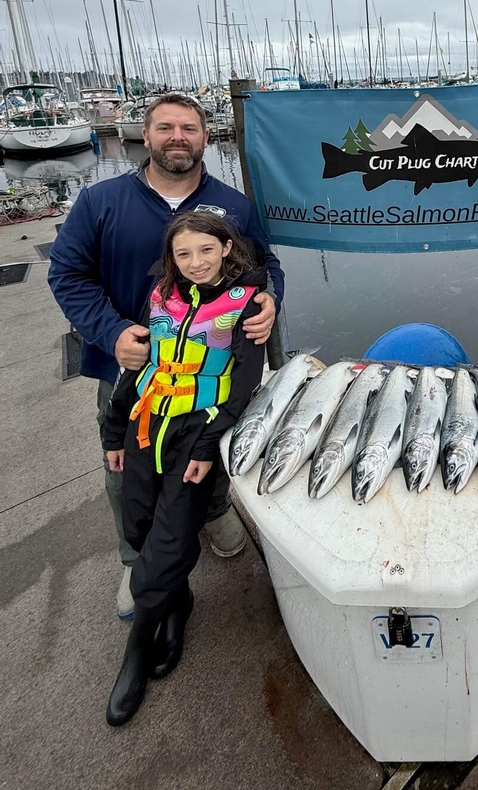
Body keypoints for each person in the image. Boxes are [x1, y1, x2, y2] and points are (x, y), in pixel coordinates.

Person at [48, 91, 284, 619]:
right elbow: (65, 273)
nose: (178, 138)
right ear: (145, 136)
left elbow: (264, 264)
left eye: (189, 129)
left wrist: (270, 298)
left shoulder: (234, 204)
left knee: (211, 447)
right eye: (166, 128)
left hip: (210, 371)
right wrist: (111, 333)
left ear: (205, 137)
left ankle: (218, 511)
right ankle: (136, 559)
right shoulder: (100, 202)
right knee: (126, 465)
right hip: (133, 368)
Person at [102, 212, 267, 725]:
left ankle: (134, 655)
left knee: (171, 537)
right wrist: (115, 431)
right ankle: (178, 605)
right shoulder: (161, 299)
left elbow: (243, 387)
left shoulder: (246, 306)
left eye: (206, 251)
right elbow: (141, 367)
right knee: (141, 526)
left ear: (226, 249)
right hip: (145, 427)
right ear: (171, 258)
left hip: (194, 435)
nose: (195, 263)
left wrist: (205, 446)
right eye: (183, 254)